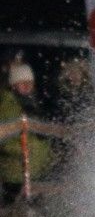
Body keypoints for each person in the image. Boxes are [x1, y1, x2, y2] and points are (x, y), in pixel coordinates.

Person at [0, 61, 54, 203]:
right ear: (13, 85)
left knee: (36, 211)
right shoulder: (8, 105)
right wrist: (26, 150)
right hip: (15, 174)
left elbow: (41, 135)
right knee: (15, 210)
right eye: (22, 83)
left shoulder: (32, 103)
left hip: (35, 172)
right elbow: (5, 140)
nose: (27, 86)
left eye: (29, 82)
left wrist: (48, 155)